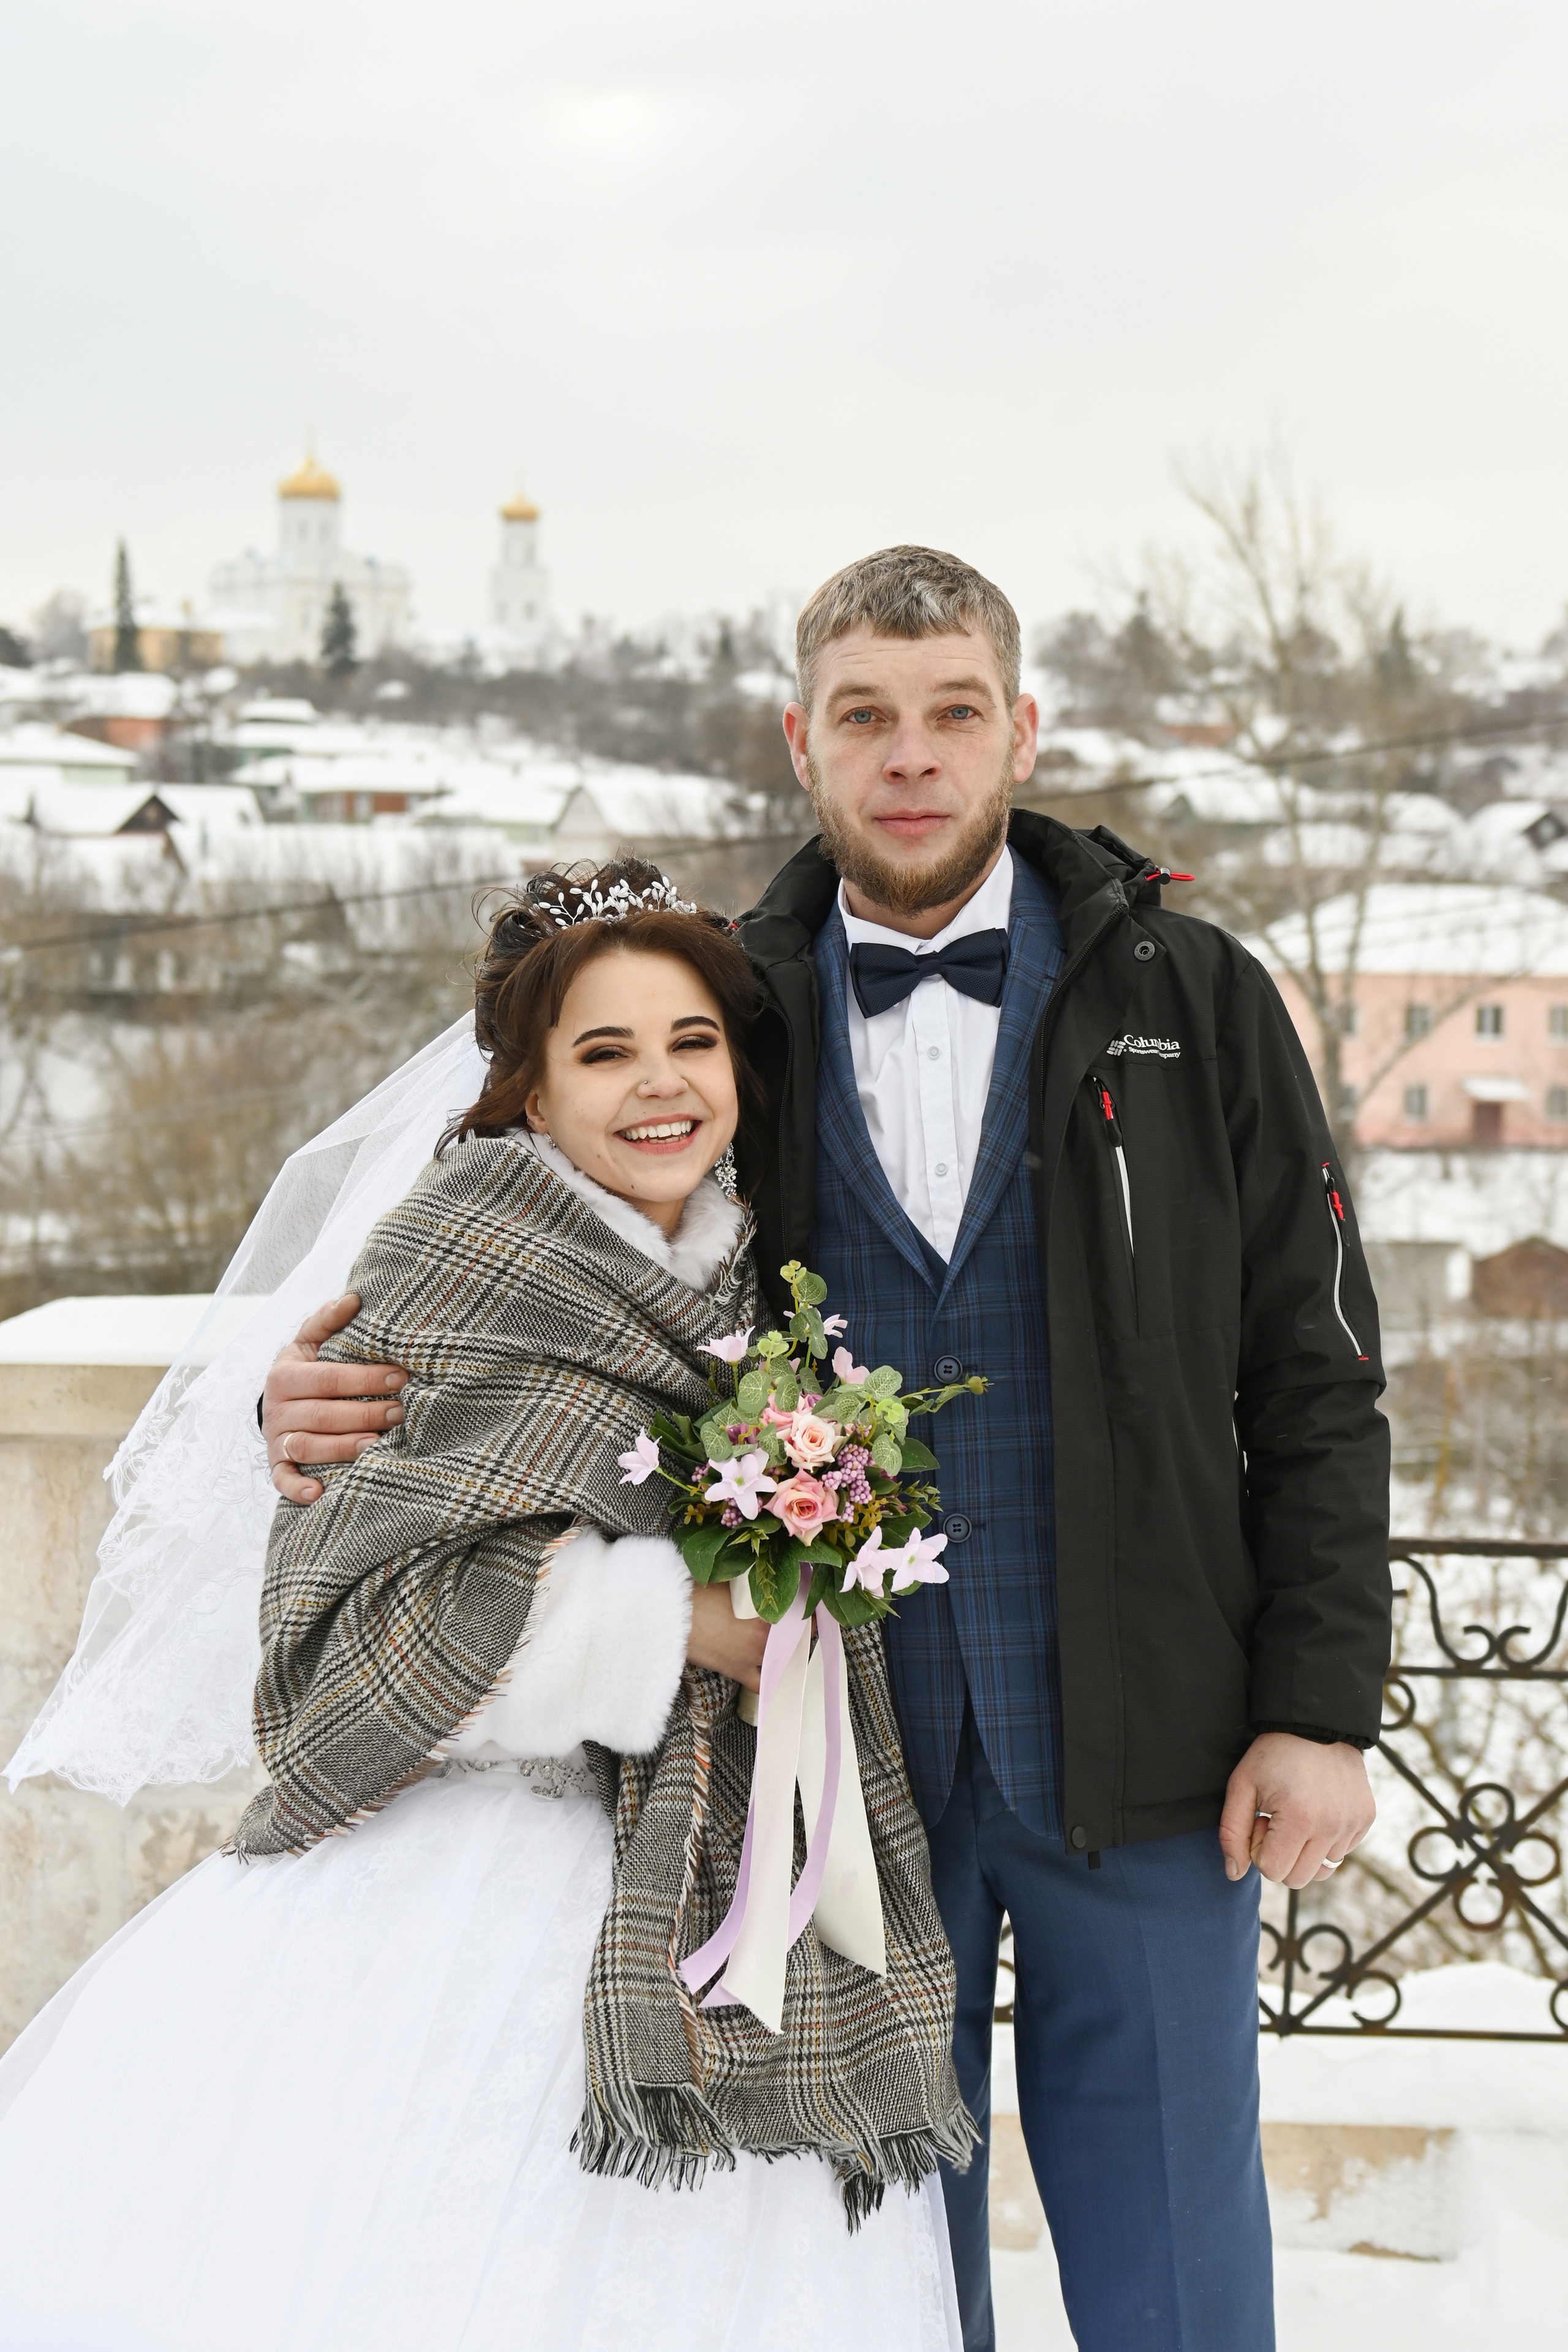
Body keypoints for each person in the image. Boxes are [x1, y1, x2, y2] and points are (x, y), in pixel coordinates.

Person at [268, 548, 1393, 2352]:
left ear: (1023, 728)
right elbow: (539, 1258)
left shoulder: (1197, 996)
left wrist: (1322, 1704)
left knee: (1182, 2264)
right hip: (815, 1760)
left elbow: (1320, 1371)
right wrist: (317, 1387)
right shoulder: (732, 1018)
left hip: (1165, 1739)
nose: (914, 754)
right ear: (803, 742)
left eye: (956, 711)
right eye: (866, 715)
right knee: (850, 2269)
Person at [0, 864, 970, 2352]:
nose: (661, 1084)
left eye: (691, 1042)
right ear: (522, 1093)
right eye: (604, 1052)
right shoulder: (453, 1268)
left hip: (696, 1863)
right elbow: (368, 1614)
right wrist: (671, 1623)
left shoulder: (737, 1280)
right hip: (463, 1875)